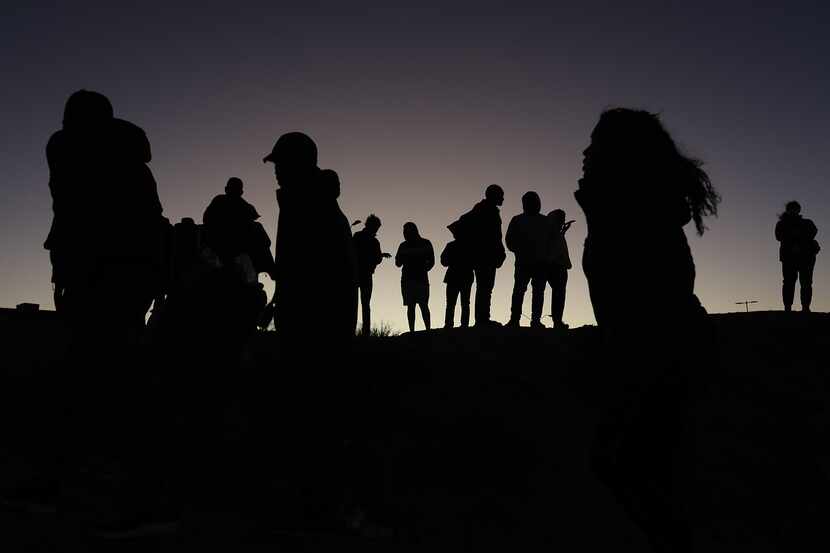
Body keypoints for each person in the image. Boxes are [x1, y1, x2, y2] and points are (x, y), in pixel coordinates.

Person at [576, 108, 719, 553]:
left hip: (652, 359)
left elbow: (645, 301)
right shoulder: (628, 208)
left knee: (632, 470)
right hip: (652, 352)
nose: (585, 152)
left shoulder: (631, 213)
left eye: (596, 144)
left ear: (621, 155)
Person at [452, 184, 507, 326]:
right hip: (484, 255)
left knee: (485, 287)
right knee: (484, 287)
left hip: (484, 255)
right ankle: (482, 320)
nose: (503, 198)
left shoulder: (485, 209)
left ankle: (482, 319)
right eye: (501, 195)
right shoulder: (484, 210)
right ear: (493, 195)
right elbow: (492, 236)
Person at [202, 176, 275, 280]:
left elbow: (253, 216)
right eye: (233, 188)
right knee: (256, 230)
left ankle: (269, 269)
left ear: (240, 192)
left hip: (241, 241)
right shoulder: (220, 200)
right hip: (223, 240)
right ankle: (269, 269)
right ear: (227, 189)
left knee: (257, 230)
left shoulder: (244, 205)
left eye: (237, 189)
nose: (234, 191)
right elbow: (207, 219)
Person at [505, 191, 549, 327]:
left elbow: (552, 240)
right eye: (533, 201)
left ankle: (535, 320)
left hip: (540, 263)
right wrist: (519, 251)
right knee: (519, 290)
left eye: (537, 201)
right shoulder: (517, 220)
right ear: (525, 204)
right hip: (523, 262)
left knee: (538, 291)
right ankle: (515, 319)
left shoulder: (545, 221)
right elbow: (509, 240)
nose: (536, 204)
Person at [775, 201, 819, 312]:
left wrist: (798, 238)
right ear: (788, 210)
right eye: (791, 209)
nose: (793, 211)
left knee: (806, 283)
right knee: (789, 282)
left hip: (806, 258)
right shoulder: (782, 224)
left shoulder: (807, 223)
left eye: (795, 209)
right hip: (789, 258)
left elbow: (813, 232)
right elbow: (779, 236)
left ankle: (805, 307)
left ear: (799, 210)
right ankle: (788, 307)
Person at [352, 214, 391, 335]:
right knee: (364, 304)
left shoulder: (359, 236)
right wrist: (379, 256)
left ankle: (361, 333)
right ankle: (364, 334)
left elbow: (352, 251)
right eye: (376, 227)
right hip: (362, 274)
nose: (376, 230)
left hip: (360, 274)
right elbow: (377, 259)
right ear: (371, 226)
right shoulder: (372, 240)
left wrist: (380, 256)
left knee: (359, 304)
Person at [395, 222, 435, 332]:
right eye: (404, 232)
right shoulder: (403, 245)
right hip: (408, 280)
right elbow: (398, 263)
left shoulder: (425, 243)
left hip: (420, 279)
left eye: (406, 231)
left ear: (413, 231)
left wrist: (422, 269)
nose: (404, 234)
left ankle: (427, 330)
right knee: (411, 306)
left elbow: (431, 261)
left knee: (423, 305)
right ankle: (413, 331)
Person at [541, 209, 573, 329]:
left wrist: (563, 231)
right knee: (558, 293)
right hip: (555, 266)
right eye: (561, 218)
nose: (563, 221)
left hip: (558, 266)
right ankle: (557, 321)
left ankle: (557, 320)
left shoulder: (554, 231)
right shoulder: (550, 231)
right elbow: (555, 246)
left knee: (559, 293)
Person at [441, 223, 474, 328]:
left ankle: (450, 324)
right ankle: (461, 324)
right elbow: (443, 261)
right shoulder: (469, 246)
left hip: (456, 277)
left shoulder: (451, 246)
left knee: (453, 303)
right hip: (463, 277)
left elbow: (444, 261)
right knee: (462, 303)